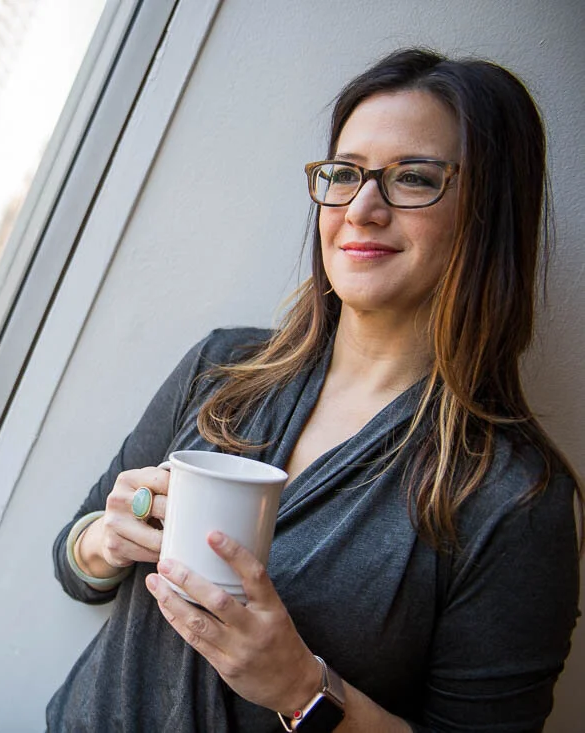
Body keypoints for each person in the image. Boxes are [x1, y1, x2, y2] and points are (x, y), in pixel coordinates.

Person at [48, 48, 583, 732]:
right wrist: (102, 540)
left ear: (488, 213)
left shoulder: (512, 498)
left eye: (413, 178)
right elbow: (74, 561)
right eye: (345, 174)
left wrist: (303, 689)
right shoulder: (223, 369)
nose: (361, 208)